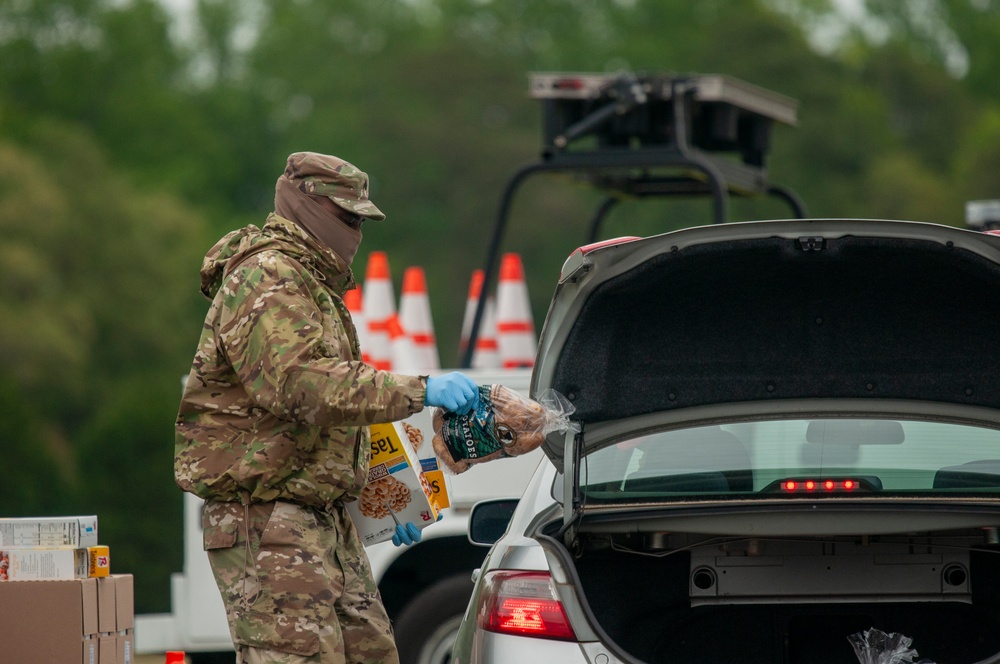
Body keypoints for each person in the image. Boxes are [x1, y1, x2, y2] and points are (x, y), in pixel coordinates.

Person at [174, 151, 480, 664]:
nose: (356, 232)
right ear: (306, 206)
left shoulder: (308, 282)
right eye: (347, 217)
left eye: (361, 220)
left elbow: (326, 416)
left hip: (319, 519)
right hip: (267, 522)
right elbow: (300, 386)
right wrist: (419, 389)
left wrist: (381, 503)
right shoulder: (268, 277)